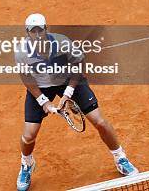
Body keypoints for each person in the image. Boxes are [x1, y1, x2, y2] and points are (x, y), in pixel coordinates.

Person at [15, 13, 138, 191]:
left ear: (46, 29)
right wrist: (43, 101)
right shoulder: (21, 52)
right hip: (41, 87)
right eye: (32, 32)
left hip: (68, 80)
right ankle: (27, 164)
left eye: (40, 30)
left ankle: (120, 158)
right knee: (29, 136)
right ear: (27, 33)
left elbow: (79, 65)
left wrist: (68, 93)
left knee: (100, 122)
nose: (37, 35)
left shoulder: (62, 43)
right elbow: (26, 78)